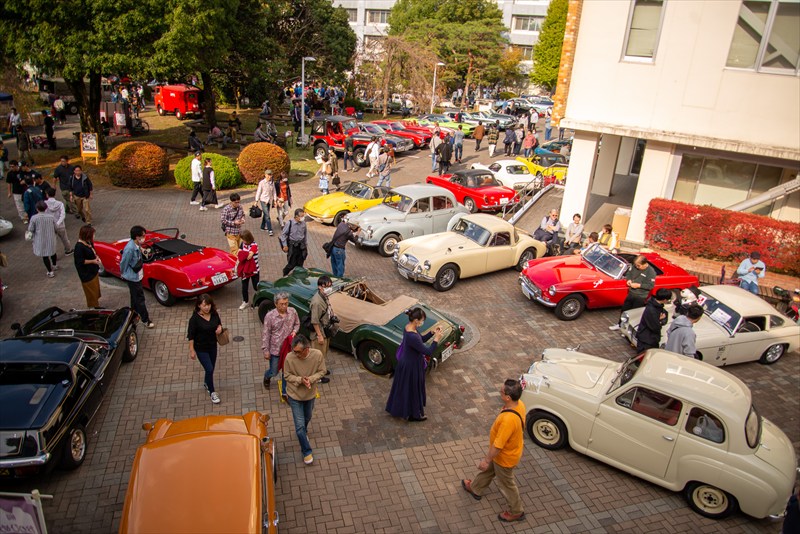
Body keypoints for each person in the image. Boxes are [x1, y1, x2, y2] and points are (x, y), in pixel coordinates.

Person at [461, 379, 526, 523]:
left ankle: (516, 511)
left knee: (507, 484)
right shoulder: (519, 404)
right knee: (490, 471)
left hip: (504, 457)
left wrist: (486, 460)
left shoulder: (508, 420)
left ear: (508, 397)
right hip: (504, 454)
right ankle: (475, 488)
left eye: (501, 391)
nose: (500, 392)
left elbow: (498, 445)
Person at [385, 308, 443, 422]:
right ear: (416, 320)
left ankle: (405, 411)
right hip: (411, 367)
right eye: (422, 320)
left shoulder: (409, 327)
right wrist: (436, 339)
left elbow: (420, 339)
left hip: (407, 363)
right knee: (413, 390)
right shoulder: (412, 336)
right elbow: (428, 351)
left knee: (405, 389)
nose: (423, 322)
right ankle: (413, 414)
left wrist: (432, 333)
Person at [283, 334, 326, 465]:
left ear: (306, 349)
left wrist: (310, 379)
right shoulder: (289, 358)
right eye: (293, 351)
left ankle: (304, 433)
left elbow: (322, 371)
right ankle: (306, 451)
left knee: (307, 417)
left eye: (297, 352)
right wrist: (300, 380)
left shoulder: (317, 355)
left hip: (310, 395)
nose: (294, 354)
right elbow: (286, 375)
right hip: (294, 395)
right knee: (299, 426)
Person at [187, 294, 224, 404]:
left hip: (212, 346)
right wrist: (192, 350)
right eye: (204, 305)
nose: (207, 307)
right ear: (199, 306)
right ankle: (212, 392)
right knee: (209, 369)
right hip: (201, 348)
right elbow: (191, 336)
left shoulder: (214, 314)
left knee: (211, 368)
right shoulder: (194, 319)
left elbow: (219, 324)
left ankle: (206, 382)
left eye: (208, 305)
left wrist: (220, 328)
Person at [261, 291, 300, 388]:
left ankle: (284, 391)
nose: (284, 306)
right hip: (275, 350)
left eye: (286, 303)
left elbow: (297, 324)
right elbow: (266, 334)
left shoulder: (293, 311)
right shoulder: (269, 316)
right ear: (275, 304)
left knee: (286, 372)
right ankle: (267, 377)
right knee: (274, 372)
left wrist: (294, 331)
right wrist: (266, 350)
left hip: (289, 348)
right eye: (282, 304)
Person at [609, 255, 656, 331]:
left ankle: (628, 329)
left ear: (644, 264)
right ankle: (620, 324)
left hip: (640, 296)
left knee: (634, 313)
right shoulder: (634, 266)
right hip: (631, 293)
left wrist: (639, 285)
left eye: (638, 266)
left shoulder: (651, 272)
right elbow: (629, 274)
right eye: (636, 265)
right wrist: (628, 280)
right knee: (624, 309)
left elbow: (650, 286)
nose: (637, 267)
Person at [120, 225, 154, 328]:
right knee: (140, 299)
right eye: (143, 236)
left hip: (137, 275)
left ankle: (132, 315)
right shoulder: (129, 249)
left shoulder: (135, 245)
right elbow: (124, 262)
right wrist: (123, 273)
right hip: (133, 277)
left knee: (134, 297)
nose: (144, 237)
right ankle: (145, 319)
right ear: (137, 236)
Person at [309, 275, 336, 384]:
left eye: (330, 286)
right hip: (319, 333)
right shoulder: (317, 302)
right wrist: (319, 335)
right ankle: (318, 377)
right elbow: (315, 321)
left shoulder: (324, 296)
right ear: (320, 287)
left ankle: (322, 370)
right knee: (317, 356)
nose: (329, 288)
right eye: (327, 286)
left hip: (325, 330)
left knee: (323, 353)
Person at [635, 288, 672, 353]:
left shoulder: (654, 305)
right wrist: (659, 320)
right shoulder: (652, 309)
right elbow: (655, 327)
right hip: (647, 339)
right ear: (665, 300)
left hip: (648, 338)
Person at [74, 225, 102, 307]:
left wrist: (96, 257)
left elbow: (93, 251)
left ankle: (97, 305)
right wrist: (93, 261)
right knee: (91, 293)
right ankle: (94, 308)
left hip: (93, 271)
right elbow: (80, 261)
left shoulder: (88, 242)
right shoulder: (79, 247)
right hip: (87, 275)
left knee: (95, 291)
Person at [28, 201, 58, 278]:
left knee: (45, 256)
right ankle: (54, 265)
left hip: (40, 239)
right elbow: (56, 227)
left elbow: (30, 229)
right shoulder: (51, 217)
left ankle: (50, 271)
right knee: (53, 252)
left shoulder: (34, 218)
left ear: (37, 209)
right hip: (50, 238)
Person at [43, 187, 72, 255]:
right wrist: (58, 223)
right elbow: (62, 215)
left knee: (52, 240)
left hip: (50, 225)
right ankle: (68, 250)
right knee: (64, 239)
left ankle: (53, 254)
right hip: (60, 225)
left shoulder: (44, 204)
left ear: (47, 194)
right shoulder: (60, 204)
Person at [280, 208, 308, 276]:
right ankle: (285, 273)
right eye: (301, 216)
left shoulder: (303, 223)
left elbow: (305, 234)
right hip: (293, 246)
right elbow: (283, 235)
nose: (303, 218)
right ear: (296, 216)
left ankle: (297, 276)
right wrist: (285, 245)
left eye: (303, 216)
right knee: (292, 264)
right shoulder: (289, 223)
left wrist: (305, 244)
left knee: (300, 263)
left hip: (301, 245)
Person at [237, 230, 260, 310]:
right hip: (245, 270)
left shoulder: (254, 245)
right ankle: (245, 301)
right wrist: (243, 253)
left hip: (254, 270)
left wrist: (243, 253)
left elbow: (248, 256)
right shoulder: (243, 244)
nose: (243, 241)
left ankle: (258, 301)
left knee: (256, 287)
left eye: (244, 239)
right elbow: (239, 253)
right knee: (244, 287)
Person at [255, 169, 277, 235]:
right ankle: (270, 229)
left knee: (265, 214)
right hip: (263, 200)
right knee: (267, 215)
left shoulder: (272, 182)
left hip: (269, 200)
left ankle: (262, 226)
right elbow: (259, 192)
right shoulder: (262, 183)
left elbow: (274, 192)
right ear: (265, 175)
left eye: (270, 175)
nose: (269, 176)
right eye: (268, 175)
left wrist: (275, 200)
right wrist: (256, 200)